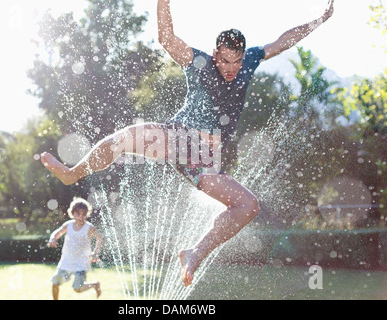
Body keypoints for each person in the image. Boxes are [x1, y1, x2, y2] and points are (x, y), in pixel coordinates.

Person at [40, 0, 335, 287]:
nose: (231, 68)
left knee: (248, 206)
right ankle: (72, 173)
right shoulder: (199, 62)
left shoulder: (251, 61)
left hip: (203, 157)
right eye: (225, 60)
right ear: (215, 53)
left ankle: (195, 252)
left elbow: (282, 41)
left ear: (243, 57)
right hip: (175, 136)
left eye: (237, 61)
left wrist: (318, 20)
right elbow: (166, 38)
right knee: (122, 139)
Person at [48, 198, 104, 300]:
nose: (81, 217)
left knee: (77, 288)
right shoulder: (68, 225)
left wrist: (96, 253)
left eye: (84, 214)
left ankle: (95, 285)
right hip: (66, 262)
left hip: (81, 263)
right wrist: (53, 239)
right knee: (55, 283)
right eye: (78, 214)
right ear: (72, 213)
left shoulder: (89, 227)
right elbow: (57, 232)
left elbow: (100, 238)